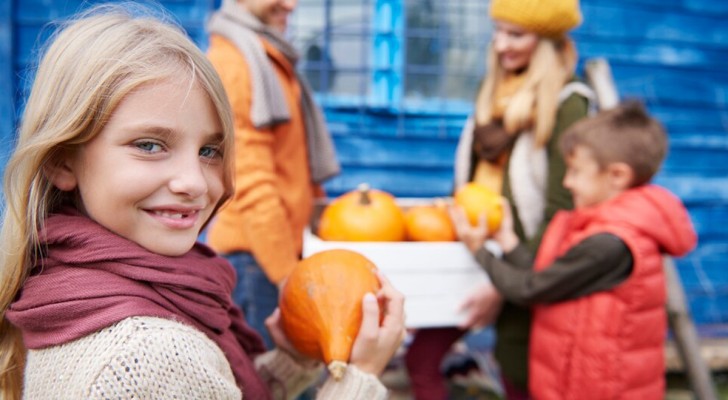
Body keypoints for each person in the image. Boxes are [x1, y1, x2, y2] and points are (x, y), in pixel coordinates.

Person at [0, 5, 405, 400]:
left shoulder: (59, 284)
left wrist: (292, 361)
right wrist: (360, 380)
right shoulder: (154, 355)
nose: (194, 183)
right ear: (61, 161)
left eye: (210, 151)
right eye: (149, 145)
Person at [404, 0, 595, 398]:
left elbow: (563, 208)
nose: (500, 45)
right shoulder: (491, 90)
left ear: (544, 42)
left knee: (518, 373)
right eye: (497, 31)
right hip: (473, 250)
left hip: (527, 259)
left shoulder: (568, 102)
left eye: (515, 34)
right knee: (421, 359)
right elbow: (475, 176)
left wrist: (505, 283)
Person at [451, 101, 697, 399]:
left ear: (617, 176)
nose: (567, 183)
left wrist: (479, 250)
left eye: (576, 172)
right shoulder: (595, 225)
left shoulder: (610, 243)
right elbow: (547, 273)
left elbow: (531, 288)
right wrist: (507, 241)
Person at [204, 0, 340, 350]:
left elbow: (290, 160)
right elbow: (248, 181)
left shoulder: (266, 54)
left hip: (276, 255)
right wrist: (287, 276)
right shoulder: (235, 63)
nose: (291, 5)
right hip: (258, 263)